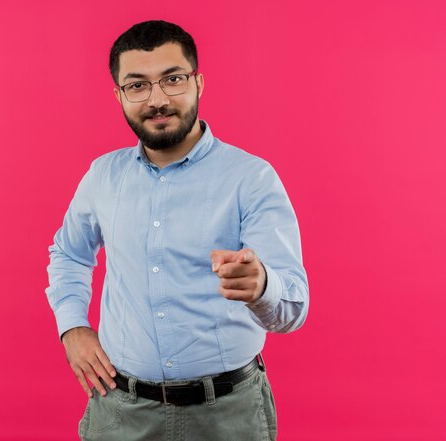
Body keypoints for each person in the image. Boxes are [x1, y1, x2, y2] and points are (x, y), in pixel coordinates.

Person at [46, 20, 309, 441]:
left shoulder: (251, 178)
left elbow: (293, 308)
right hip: (121, 413)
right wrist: (71, 325)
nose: (157, 100)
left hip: (229, 416)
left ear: (198, 83)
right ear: (119, 95)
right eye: (137, 86)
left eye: (173, 79)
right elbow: (69, 254)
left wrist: (262, 286)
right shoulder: (103, 176)